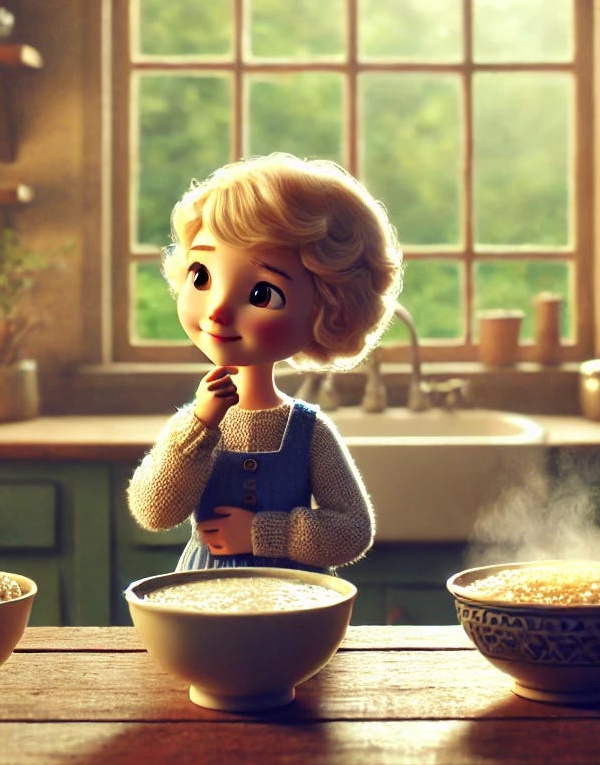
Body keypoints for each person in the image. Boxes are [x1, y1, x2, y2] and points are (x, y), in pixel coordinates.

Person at [127, 152, 403, 573]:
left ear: (328, 308)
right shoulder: (195, 424)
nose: (218, 309)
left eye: (262, 294)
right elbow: (154, 511)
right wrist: (200, 425)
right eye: (201, 275)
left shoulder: (308, 432)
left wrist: (263, 532)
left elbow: (352, 530)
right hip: (205, 602)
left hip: (293, 604)